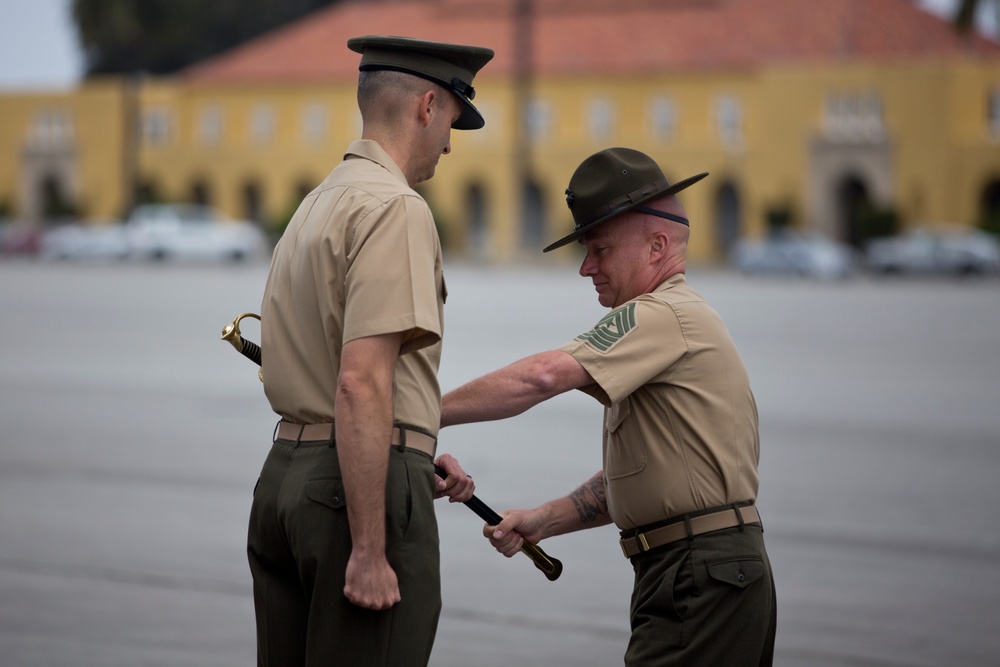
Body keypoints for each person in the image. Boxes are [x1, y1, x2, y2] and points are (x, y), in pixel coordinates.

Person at [440, 147, 777, 666]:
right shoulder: (671, 324)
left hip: (700, 573)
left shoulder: (661, 313)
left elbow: (542, 376)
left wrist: (418, 412)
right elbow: (643, 474)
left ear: (657, 245)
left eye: (599, 249)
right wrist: (544, 520)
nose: (585, 268)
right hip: (698, 570)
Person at [249, 35, 494, 667]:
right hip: (352, 496)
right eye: (451, 123)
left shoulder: (313, 206)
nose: (448, 143)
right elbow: (360, 383)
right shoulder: (394, 208)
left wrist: (414, 454)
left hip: (285, 480)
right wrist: (369, 546)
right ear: (427, 106)